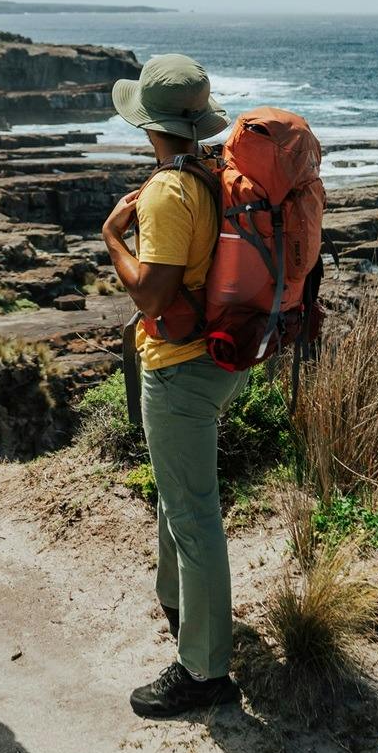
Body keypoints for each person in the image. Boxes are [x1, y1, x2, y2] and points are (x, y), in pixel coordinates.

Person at [99, 53, 244, 718]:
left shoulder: (165, 192)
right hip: (222, 356)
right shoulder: (213, 175)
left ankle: (205, 671)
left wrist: (112, 240)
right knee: (179, 493)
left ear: (147, 124)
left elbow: (153, 295)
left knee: (192, 513)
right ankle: (180, 603)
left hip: (181, 365)